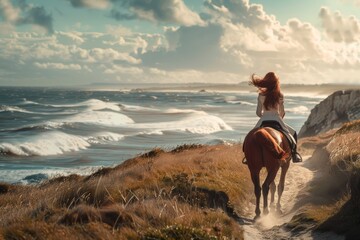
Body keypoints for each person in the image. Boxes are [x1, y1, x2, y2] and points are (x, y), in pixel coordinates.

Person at [247, 72, 302, 163]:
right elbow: (282, 113)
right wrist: (277, 116)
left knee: (251, 136)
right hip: (277, 120)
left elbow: (258, 113)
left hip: (263, 120)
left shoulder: (261, 95)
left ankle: (247, 157)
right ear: (276, 83)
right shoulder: (280, 95)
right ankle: (294, 154)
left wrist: (265, 116)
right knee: (293, 134)